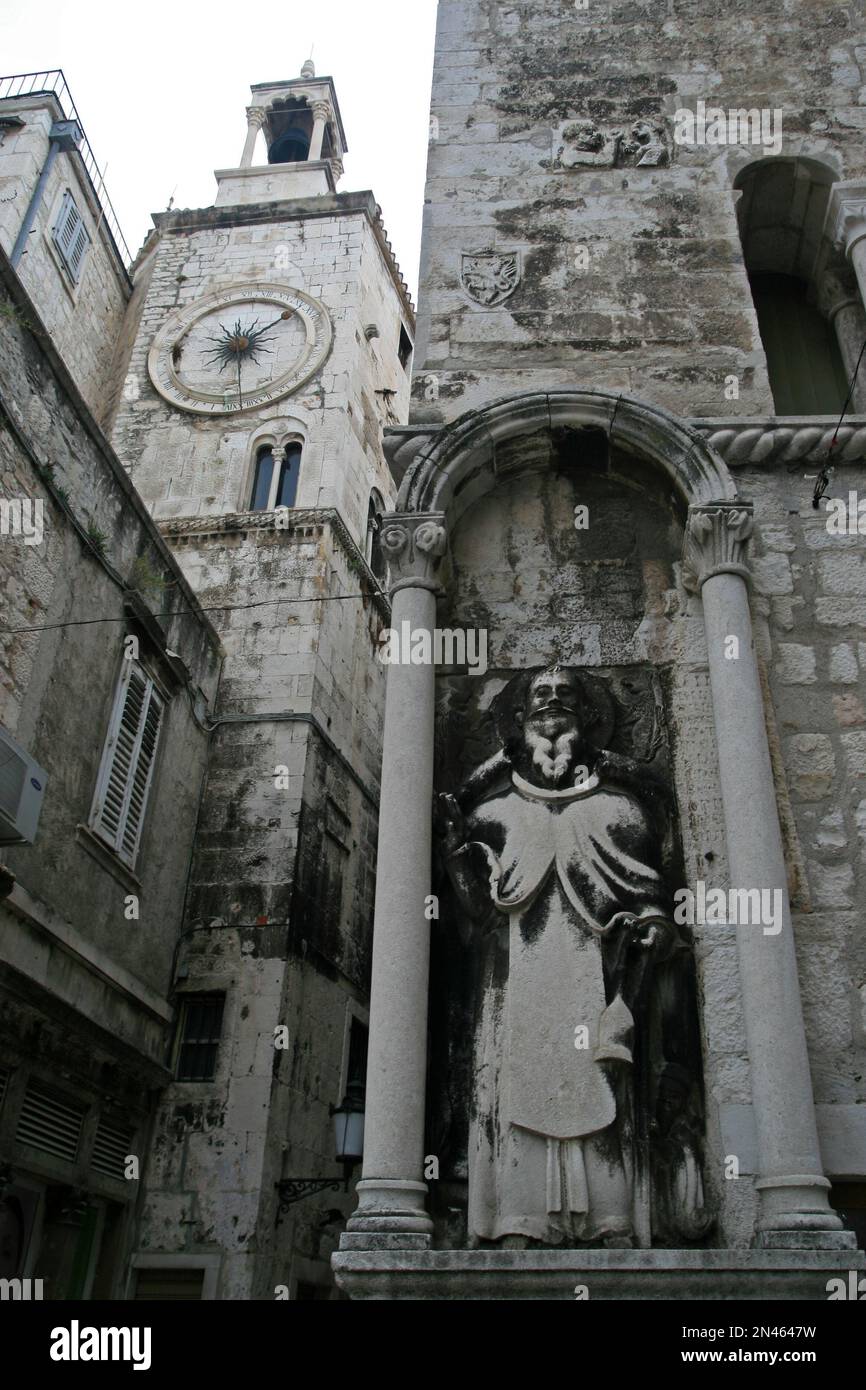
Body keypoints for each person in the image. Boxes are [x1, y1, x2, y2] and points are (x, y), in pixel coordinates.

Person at [440, 667, 677, 1246]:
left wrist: (650, 932)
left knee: (602, 1090)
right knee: (512, 1092)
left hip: (597, 986)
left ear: (588, 718)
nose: (552, 708)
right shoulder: (490, 816)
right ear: (519, 722)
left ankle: (614, 1219)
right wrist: (453, 851)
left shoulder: (619, 811)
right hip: (511, 988)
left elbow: (653, 902)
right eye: (539, 698)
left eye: (565, 698)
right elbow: (475, 918)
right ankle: (513, 1221)